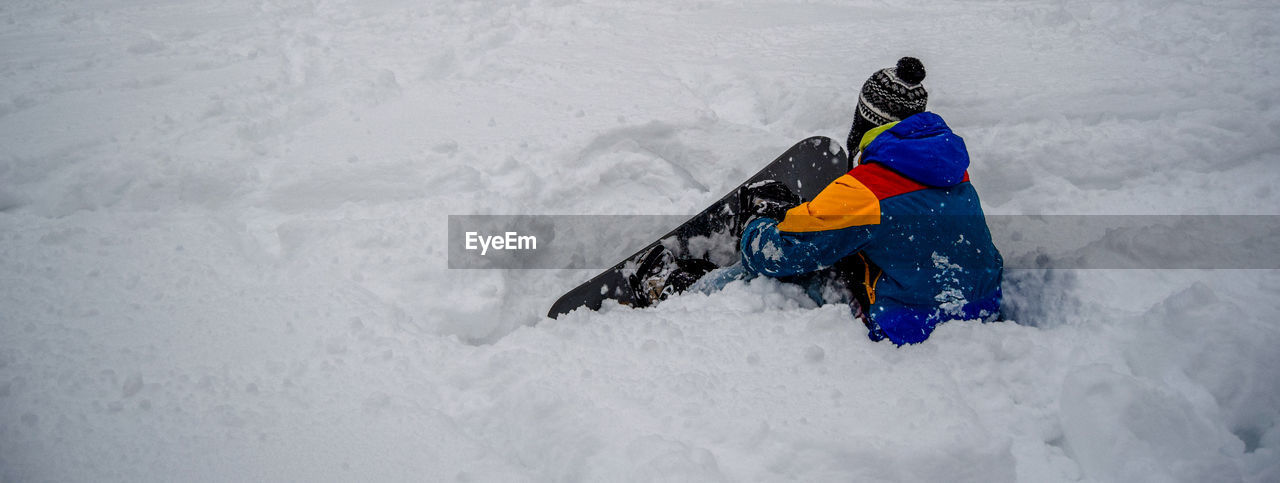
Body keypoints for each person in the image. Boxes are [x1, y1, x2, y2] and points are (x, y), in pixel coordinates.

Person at [735, 57, 1004, 345]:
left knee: (786, 270)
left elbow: (779, 256)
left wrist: (759, 220)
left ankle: (706, 297)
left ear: (865, 120)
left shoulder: (865, 191)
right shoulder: (951, 169)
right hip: (981, 311)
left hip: (911, 327)